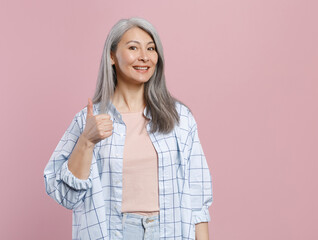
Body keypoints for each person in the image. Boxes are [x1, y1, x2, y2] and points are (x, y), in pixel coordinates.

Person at [44, 17, 213, 240]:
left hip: (170, 231)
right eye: (133, 47)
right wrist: (87, 141)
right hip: (114, 232)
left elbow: (197, 201)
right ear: (112, 56)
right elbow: (66, 196)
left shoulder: (180, 119)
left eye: (151, 49)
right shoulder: (88, 121)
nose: (144, 56)